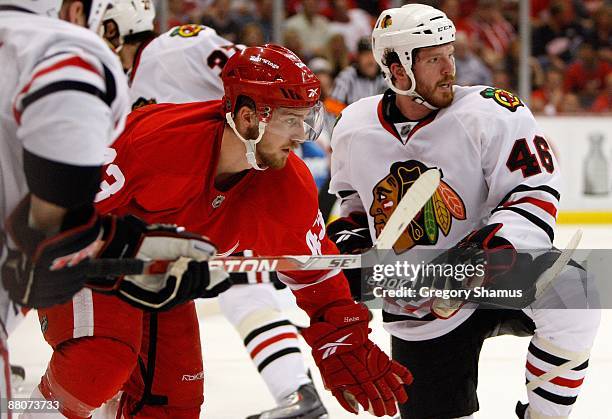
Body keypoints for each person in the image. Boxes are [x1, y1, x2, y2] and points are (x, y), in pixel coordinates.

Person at [36, 43, 413, 418]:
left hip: (161, 284)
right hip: (90, 261)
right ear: (249, 117)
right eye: (290, 120)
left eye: (307, 119)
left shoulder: (288, 185)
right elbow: (54, 215)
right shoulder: (153, 143)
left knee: (173, 403)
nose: (302, 135)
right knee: (100, 359)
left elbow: (316, 273)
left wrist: (343, 334)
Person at [328, 4, 601, 419]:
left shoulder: (491, 111)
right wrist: (353, 247)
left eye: (449, 53)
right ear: (397, 68)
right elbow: (353, 205)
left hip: (489, 275)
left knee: (574, 290)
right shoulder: (353, 127)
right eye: (434, 59)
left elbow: (534, 191)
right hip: (418, 301)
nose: (449, 68)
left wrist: (487, 250)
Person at [100, 3, 332, 417]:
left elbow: (261, 76)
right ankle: (298, 391)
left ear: (114, 28)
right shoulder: (116, 84)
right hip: (174, 212)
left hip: (240, 180)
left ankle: (298, 390)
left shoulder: (174, 47)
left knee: (247, 283)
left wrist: (280, 129)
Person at [0, 1, 223, 417]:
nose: (126, 54)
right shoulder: (69, 58)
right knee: (97, 360)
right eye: (125, 40)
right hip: (104, 232)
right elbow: (52, 217)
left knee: (165, 394)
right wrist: (118, 244)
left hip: (118, 236)